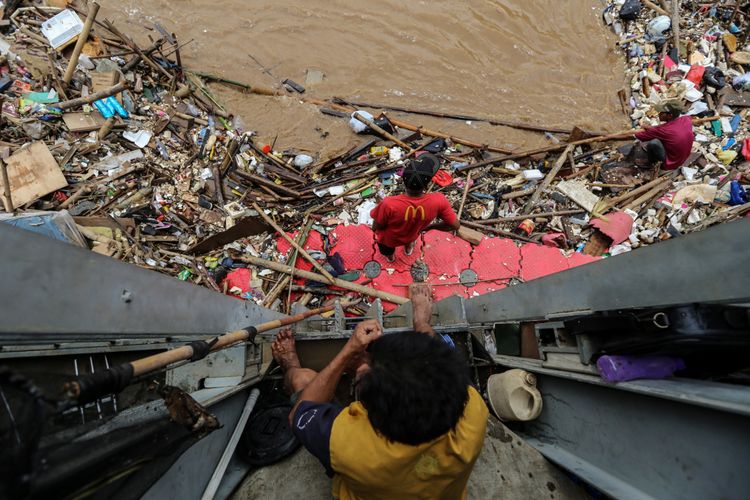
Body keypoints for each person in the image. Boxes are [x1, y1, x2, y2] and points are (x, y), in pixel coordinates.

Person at [271, 284, 488, 499]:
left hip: (365, 482)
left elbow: (299, 414)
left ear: (373, 416)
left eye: (367, 373)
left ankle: (289, 366)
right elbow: (436, 363)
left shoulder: (350, 446)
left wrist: (347, 354)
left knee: (302, 379)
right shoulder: (474, 412)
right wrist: (422, 323)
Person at [370, 154, 460, 262]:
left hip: (388, 239)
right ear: (428, 184)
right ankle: (408, 250)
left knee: (387, 251)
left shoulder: (389, 204)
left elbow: (376, 226)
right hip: (412, 235)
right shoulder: (438, 201)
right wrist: (430, 227)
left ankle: (391, 258)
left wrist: (376, 227)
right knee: (410, 242)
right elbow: (455, 225)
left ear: (403, 180)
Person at [629, 99, 694, 170]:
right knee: (662, 138)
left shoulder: (664, 130)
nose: (659, 114)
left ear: (670, 116)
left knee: (654, 143)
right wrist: (647, 127)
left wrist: (615, 136)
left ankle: (650, 163)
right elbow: (659, 129)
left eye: (662, 112)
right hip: (681, 157)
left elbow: (634, 136)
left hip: (671, 163)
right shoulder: (686, 119)